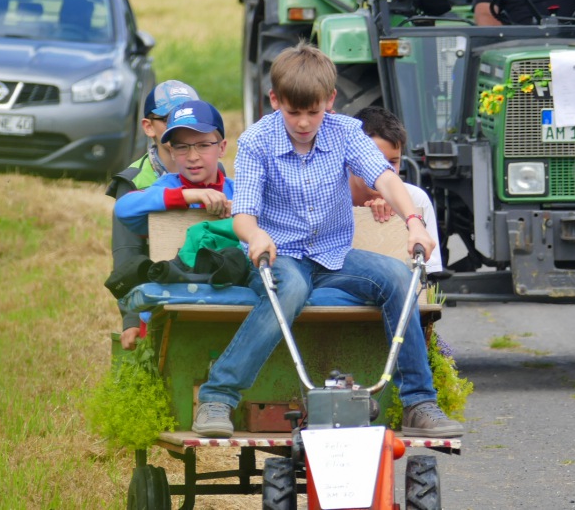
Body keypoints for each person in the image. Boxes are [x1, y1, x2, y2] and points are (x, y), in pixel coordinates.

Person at [191, 41, 462, 440]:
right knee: (292, 288)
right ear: (275, 99)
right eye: (293, 111)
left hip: (334, 256)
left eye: (313, 111)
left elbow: (385, 178)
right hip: (279, 256)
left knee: (401, 280)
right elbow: (243, 214)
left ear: (330, 100)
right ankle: (218, 396)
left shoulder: (348, 132)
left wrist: (414, 222)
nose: (303, 122)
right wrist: (255, 235)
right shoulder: (255, 141)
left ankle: (419, 403)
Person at [105, 80, 200, 349]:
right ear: (148, 127)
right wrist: (131, 320)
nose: (182, 130)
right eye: (170, 120)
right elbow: (127, 254)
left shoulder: (212, 170)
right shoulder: (134, 181)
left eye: (189, 118)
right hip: (155, 292)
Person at [114, 99, 234, 236]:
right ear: (172, 152)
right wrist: (186, 196)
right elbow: (123, 208)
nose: (192, 157)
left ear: (222, 148)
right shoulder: (166, 186)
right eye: (182, 147)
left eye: (203, 145)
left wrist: (240, 211)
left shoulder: (238, 192)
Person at [349, 106, 443, 273]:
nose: (383, 170)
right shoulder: (331, 196)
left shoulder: (416, 198)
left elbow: (426, 274)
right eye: (374, 161)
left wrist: (397, 218)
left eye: (393, 162)